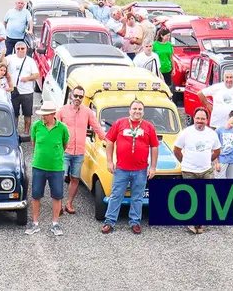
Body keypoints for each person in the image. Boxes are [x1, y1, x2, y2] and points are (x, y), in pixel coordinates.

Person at [101, 100, 158, 234]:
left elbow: (154, 147)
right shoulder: (119, 123)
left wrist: (153, 167)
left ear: (143, 112)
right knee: (116, 195)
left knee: (137, 197)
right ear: (129, 110)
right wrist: (109, 161)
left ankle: (135, 222)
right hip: (121, 169)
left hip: (141, 170)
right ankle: (109, 221)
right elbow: (109, 141)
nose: (137, 111)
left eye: (140, 109)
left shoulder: (149, 127)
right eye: (134, 109)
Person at [173, 106, 220, 234]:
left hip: (206, 170)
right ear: (194, 118)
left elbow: (217, 150)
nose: (200, 121)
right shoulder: (186, 133)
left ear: (207, 120)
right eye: (198, 118)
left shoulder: (212, 134)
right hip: (189, 171)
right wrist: (184, 161)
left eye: (203, 119)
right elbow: (176, 150)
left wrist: (208, 160)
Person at [25, 102, 69, 236]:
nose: (42, 117)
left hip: (56, 168)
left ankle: (55, 223)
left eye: (45, 115)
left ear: (52, 114)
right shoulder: (36, 126)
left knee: (57, 195)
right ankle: (35, 223)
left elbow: (64, 144)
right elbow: (33, 143)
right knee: (36, 195)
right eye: (42, 115)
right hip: (38, 166)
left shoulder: (62, 128)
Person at [57, 86, 103, 214]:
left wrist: (107, 139)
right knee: (61, 177)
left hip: (79, 152)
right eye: (76, 95)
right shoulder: (62, 111)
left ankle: (69, 203)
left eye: (80, 97)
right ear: (71, 95)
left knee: (75, 178)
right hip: (64, 151)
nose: (77, 98)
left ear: (83, 98)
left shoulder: (87, 112)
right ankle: (58, 204)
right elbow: (54, 129)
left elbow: (97, 127)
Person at [7, 42, 39, 134]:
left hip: (27, 92)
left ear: (26, 50)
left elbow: (36, 75)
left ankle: (26, 132)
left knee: (28, 114)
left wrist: (27, 78)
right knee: (14, 114)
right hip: (15, 91)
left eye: (22, 48)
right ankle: (14, 132)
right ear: (15, 49)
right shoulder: (10, 58)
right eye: (18, 49)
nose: (20, 50)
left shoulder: (30, 61)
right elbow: (2, 63)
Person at [215, 111, 233, 179]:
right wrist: (216, 163)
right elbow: (214, 148)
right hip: (222, 159)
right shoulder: (219, 130)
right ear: (228, 118)